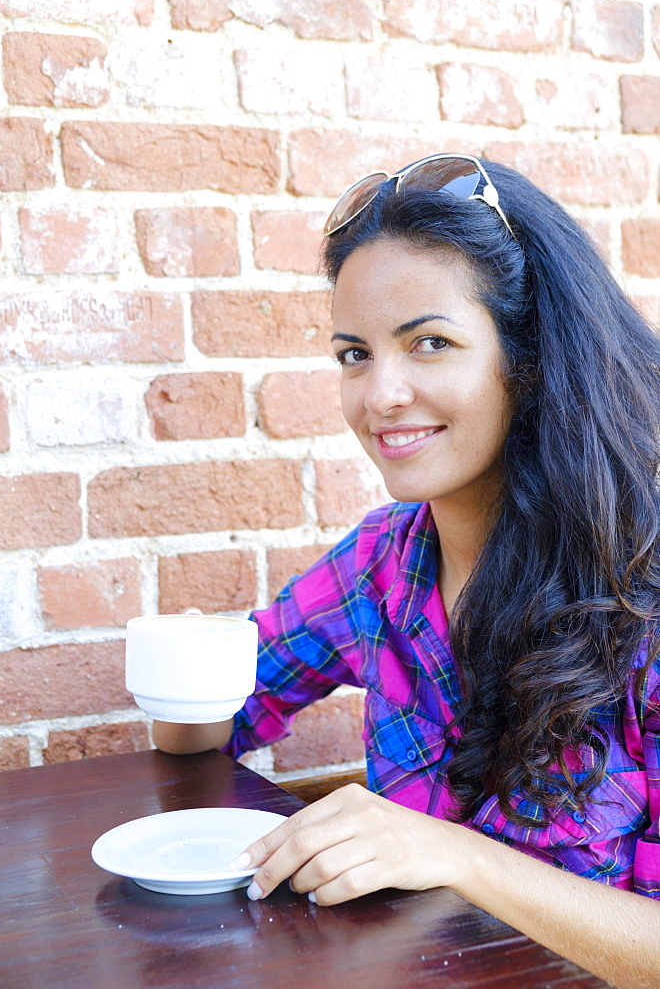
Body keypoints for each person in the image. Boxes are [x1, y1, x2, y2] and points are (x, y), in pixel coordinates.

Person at [154, 154, 660, 987]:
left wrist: (457, 858)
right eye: (354, 354)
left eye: (430, 343)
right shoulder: (379, 568)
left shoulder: (636, 586)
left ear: (527, 360)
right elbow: (214, 727)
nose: (381, 393)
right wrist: (177, 685)